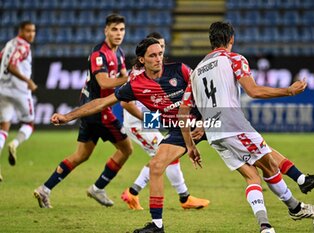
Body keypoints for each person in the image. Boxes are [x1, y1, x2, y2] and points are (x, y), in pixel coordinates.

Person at [179, 21, 314, 232]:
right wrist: (289, 91)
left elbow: (182, 112)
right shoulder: (234, 58)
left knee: (253, 174)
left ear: (211, 41)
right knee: (269, 165)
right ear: (231, 39)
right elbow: (254, 91)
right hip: (232, 124)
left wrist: (191, 146)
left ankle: (270, 223)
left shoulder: (196, 73)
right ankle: (295, 204)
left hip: (213, 133)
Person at [50, 38, 209, 233]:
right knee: (158, 163)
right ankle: (159, 219)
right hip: (156, 125)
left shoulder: (180, 70)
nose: (159, 58)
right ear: (142, 59)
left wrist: (203, 121)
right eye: (153, 55)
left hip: (207, 121)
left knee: (249, 158)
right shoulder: (135, 82)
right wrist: (67, 116)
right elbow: (102, 102)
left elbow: (206, 94)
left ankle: (147, 193)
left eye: (160, 53)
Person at [33, 14, 131, 208]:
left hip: (91, 110)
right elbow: (104, 82)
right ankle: (98, 187)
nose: (118, 33)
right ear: (106, 31)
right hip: (99, 110)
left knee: (81, 155)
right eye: (114, 29)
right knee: (126, 149)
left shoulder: (119, 53)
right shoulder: (99, 54)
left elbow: (124, 76)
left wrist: (130, 79)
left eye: (121, 29)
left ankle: (45, 189)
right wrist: (130, 80)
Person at [120, 32, 209, 210]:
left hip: (149, 120)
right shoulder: (138, 74)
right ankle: (183, 198)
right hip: (138, 123)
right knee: (165, 157)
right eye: (155, 50)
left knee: (163, 157)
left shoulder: (164, 71)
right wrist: (152, 119)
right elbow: (125, 103)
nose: (160, 52)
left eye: (162, 49)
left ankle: (134, 192)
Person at [0, 21, 37, 181]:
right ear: (21, 30)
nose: (31, 34)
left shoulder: (9, 44)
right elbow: (11, 65)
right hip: (20, 91)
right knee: (29, 124)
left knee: (3, 127)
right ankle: (14, 144)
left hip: (2, 89)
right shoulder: (24, 46)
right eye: (28, 31)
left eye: (33, 31)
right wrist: (27, 80)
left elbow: (2, 59)